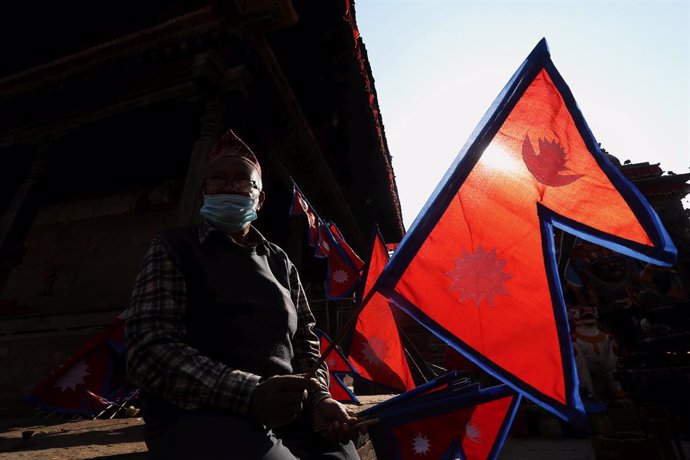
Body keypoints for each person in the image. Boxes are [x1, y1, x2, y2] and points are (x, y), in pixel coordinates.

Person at [125, 129, 361, 459]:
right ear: (204, 192)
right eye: (218, 179)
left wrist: (319, 397)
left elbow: (306, 338)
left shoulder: (280, 261)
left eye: (242, 180)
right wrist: (251, 392)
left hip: (291, 411)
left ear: (259, 199)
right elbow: (148, 347)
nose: (229, 186)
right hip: (201, 412)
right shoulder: (173, 248)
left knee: (343, 455)